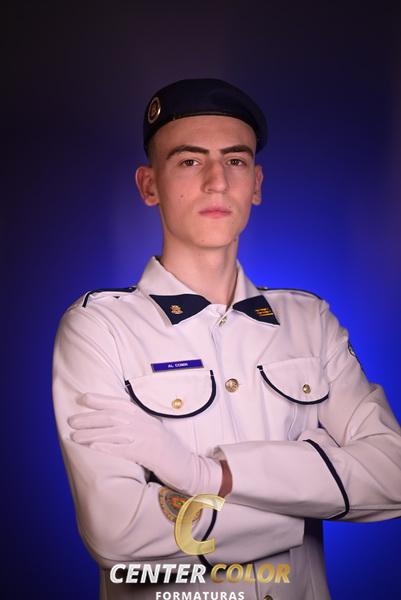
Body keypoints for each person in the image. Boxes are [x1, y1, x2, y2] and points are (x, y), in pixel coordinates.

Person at [52, 78, 401, 600]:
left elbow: (392, 474)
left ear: (255, 184)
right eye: (189, 161)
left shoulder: (309, 321)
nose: (217, 182)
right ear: (149, 185)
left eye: (235, 161)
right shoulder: (100, 328)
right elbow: (118, 533)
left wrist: (208, 476)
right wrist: (300, 502)